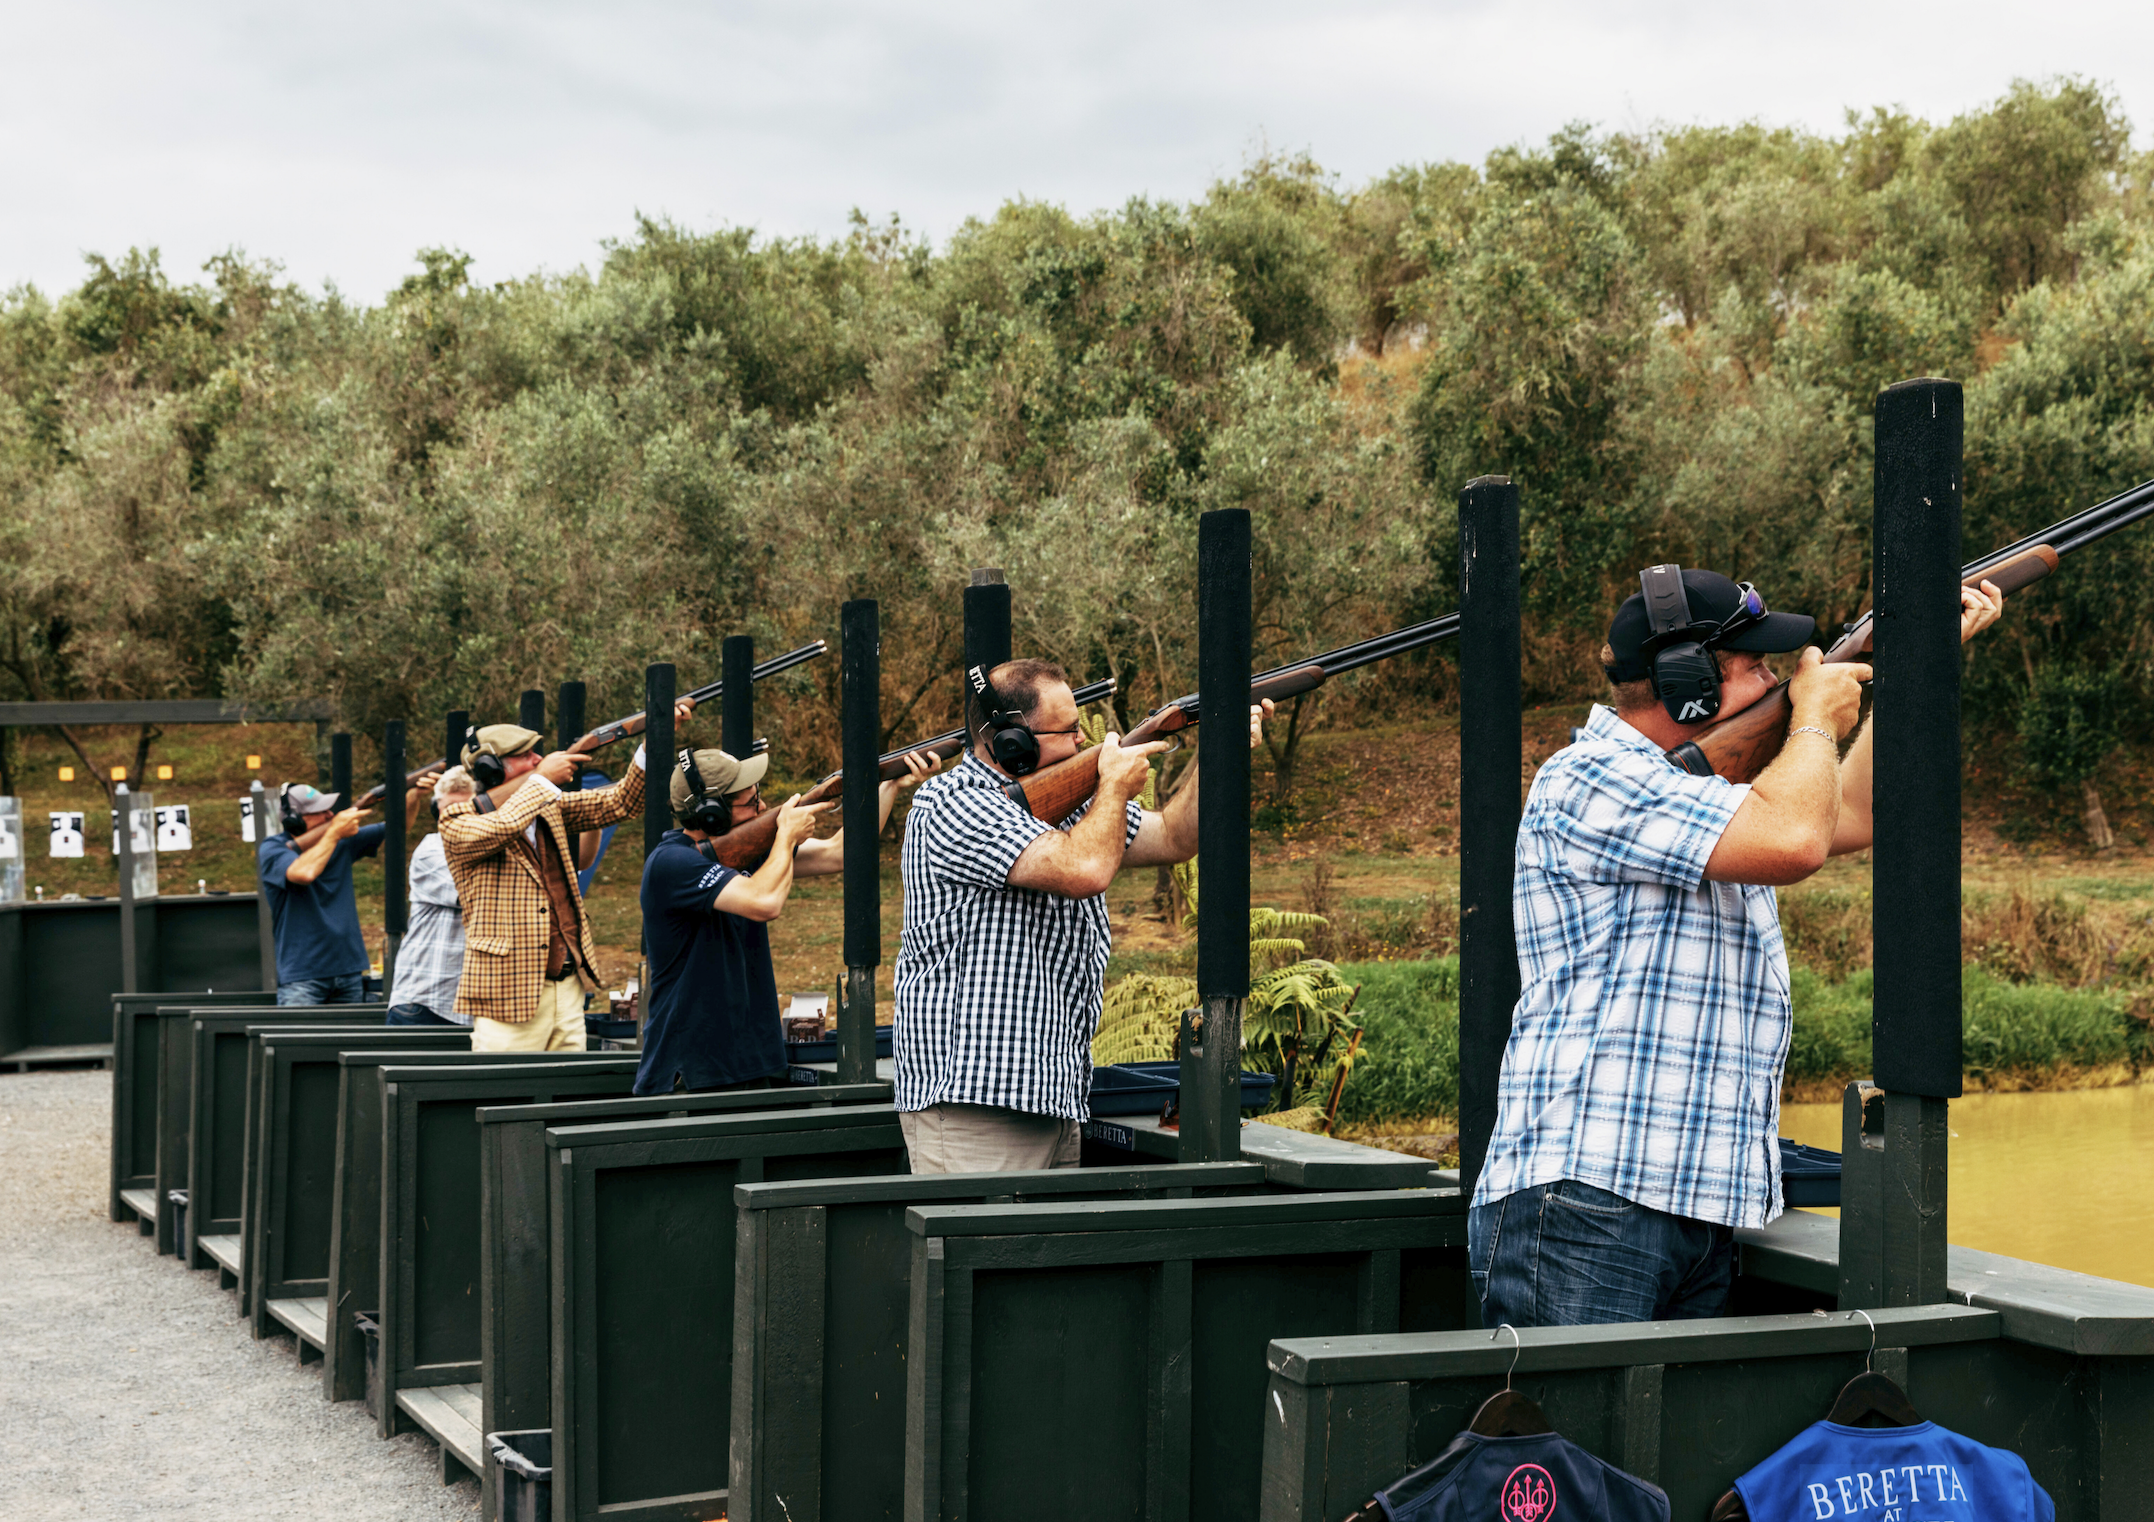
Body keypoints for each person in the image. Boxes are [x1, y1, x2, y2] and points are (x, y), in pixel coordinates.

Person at [1469, 567, 2005, 1328]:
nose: (1776, 678)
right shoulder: (1591, 777)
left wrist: (1920, 669)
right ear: (1686, 683)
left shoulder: (1703, 793)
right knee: (1574, 1446)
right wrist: (1815, 722)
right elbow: (1795, 840)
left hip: (1694, 1205)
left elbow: (1852, 812)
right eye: (1755, 665)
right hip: (1591, 1201)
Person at [892, 658, 1273, 1173]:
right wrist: (1113, 788)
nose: (1081, 742)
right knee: (977, 1252)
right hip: (974, 1105)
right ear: (1011, 741)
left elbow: (1176, 838)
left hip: (1053, 1095)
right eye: (1068, 730)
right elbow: (1085, 869)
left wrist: (1219, 750)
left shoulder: (1068, 804)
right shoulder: (953, 802)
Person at [633, 744, 939, 1095]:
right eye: (750, 802)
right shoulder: (670, 864)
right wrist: (786, 837)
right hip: (692, 1074)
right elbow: (764, 902)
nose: (762, 807)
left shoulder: (749, 852)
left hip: (750, 1065)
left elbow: (839, 853)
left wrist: (888, 785)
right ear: (711, 814)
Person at [437, 713, 683, 1053]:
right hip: (507, 992)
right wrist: (540, 779)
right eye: (524, 756)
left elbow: (622, 802)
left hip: (567, 986)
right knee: (507, 1097)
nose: (538, 759)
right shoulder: (457, 820)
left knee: (566, 1096)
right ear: (490, 769)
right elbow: (503, 825)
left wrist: (650, 742)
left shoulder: (547, 806)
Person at [258, 777, 432, 1006]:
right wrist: (333, 834)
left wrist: (412, 797)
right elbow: (304, 873)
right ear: (295, 821)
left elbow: (399, 828)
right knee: (299, 1041)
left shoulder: (341, 841)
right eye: (321, 812)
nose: (330, 816)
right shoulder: (273, 849)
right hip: (302, 975)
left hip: (348, 970)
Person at [384, 767, 474, 1027]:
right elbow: (472, 893)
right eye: (449, 809)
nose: (457, 816)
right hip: (425, 1001)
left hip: (470, 1007)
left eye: (465, 808)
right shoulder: (431, 850)